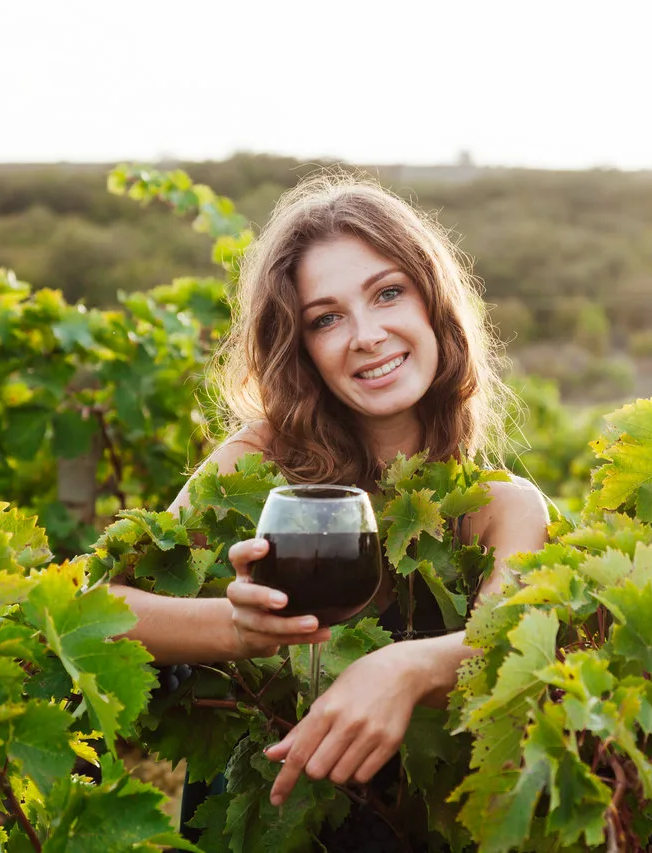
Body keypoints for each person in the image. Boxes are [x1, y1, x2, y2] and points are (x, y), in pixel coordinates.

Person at [111, 174, 549, 820]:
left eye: (388, 293)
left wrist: (408, 668)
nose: (366, 334)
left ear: (433, 304)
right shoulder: (253, 468)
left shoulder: (501, 507)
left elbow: (510, 642)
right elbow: (103, 607)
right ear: (302, 347)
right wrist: (233, 628)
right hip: (267, 822)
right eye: (327, 318)